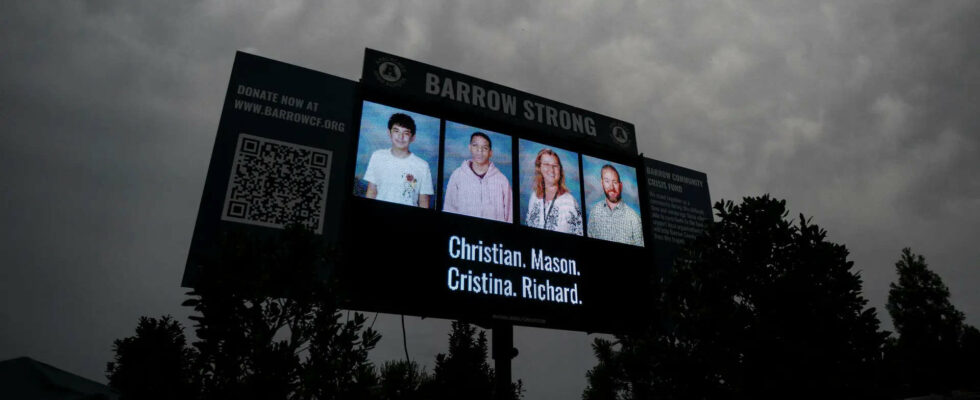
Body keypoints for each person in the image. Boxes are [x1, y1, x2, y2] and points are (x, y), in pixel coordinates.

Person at [363, 113, 434, 208]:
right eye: (396, 131)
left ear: (413, 137)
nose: (401, 137)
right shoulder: (377, 156)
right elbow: (371, 192)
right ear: (389, 133)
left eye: (406, 133)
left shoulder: (422, 166)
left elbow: (424, 202)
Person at [443, 132, 513, 222]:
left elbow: (510, 215)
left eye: (485, 148)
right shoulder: (457, 176)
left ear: (490, 153)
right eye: (475, 145)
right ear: (470, 147)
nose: (479, 150)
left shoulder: (502, 181)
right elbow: (449, 209)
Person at [525, 148, 583, 235]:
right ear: (539, 168)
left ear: (560, 170)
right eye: (546, 164)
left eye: (555, 165)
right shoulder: (534, 197)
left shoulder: (569, 201)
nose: (551, 170)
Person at [587, 164, 644, 246]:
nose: (611, 187)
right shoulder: (595, 212)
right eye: (607, 181)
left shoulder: (634, 218)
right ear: (602, 183)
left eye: (615, 182)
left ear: (620, 185)